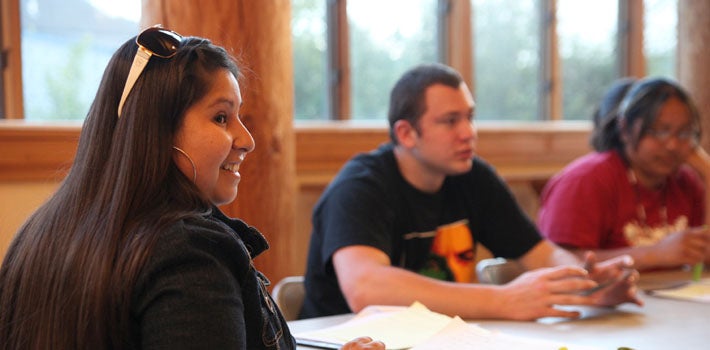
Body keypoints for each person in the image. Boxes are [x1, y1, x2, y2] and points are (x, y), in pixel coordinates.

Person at [0, 26, 384, 350]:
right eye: (221, 117)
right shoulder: (189, 252)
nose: (246, 139)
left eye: (240, 117)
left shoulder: (36, 235)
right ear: (158, 130)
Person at [300, 63, 641, 322]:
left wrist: (586, 284)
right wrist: (504, 300)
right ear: (406, 134)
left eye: (470, 117)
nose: (469, 133)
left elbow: (540, 254)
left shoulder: (472, 177)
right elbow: (366, 289)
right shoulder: (360, 186)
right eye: (450, 121)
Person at [538, 77, 710, 271]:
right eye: (659, 131)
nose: (672, 145)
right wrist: (655, 254)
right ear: (625, 129)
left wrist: (708, 172)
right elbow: (558, 262)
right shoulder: (586, 180)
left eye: (684, 133)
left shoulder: (685, 181)